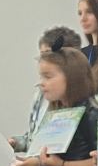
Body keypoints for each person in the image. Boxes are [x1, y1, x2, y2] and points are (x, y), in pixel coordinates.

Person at [12, 26, 81, 158]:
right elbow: (34, 138)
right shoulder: (40, 95)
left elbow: (73, 150)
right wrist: (16, 143)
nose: (43, 61)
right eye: (41, 55)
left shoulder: (79, 102)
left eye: (48, 55)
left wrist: (38, 163)